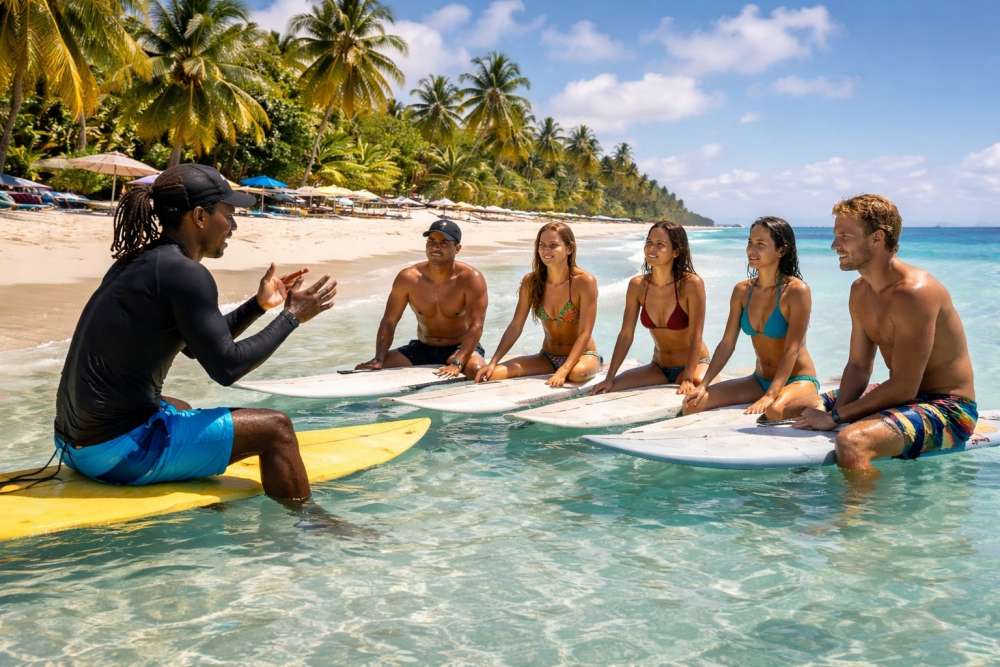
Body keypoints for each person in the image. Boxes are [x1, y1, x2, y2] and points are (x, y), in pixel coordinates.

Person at [53, 164, 336, 503]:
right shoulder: (187, 274)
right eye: (228, 215)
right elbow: (227, 369)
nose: (233, 226)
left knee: (180, 407)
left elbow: (194, 347)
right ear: (200, 216)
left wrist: (259, 305)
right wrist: (292, 317)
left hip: (71, 446)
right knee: (276, 428)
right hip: (115, 455)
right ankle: (308, 525)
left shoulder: (137, 262)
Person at [794, 194, 977, 472]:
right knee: (793, 406)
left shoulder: (915, 293)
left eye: (844, 236)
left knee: (852, 443)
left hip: (948, 406)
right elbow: (858, 366)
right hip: (902, 396)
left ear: (877, 238)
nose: (834, 245)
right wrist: (836, 416)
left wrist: (836, 418)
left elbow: (905, 386)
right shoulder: (860, 291)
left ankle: (862, 503)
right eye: (835, 235)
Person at [684, 216, 821, 421]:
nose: (751, 250)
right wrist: (704, 385)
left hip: (796, 379)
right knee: (692, 404)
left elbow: (792, 348)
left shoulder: (796, 291)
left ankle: (818, 401)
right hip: (759, 380)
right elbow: (727, 343)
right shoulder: (742, 291)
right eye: (750, 242)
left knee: (774, 411)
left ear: (781, 250)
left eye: (760, 244)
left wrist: (771, 395)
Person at [356, 218, 488, 379]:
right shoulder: (408, 278)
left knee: (477, 372)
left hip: (460, 348)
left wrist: (458, 362)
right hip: (423, 348)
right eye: (431, 241)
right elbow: (389, 321)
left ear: (457, 248)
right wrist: (379, 358)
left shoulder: (470, 279)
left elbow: (476, 325)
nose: (435, 246)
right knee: (365, 371)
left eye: (444, 242)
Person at [476, 222, 601, 387]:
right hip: (547, 357)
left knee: (577, 374)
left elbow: (585, 332)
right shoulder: (531, 282)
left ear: (569, 249)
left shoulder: (584, 282)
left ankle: (593, 365)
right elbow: (516, 326)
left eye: (553, 245)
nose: (546, 250)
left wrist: (564, 370)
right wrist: (493, 362)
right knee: (492, 374)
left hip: (582, 357)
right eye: (542, 245)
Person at [593, 221, 710, 394]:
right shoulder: (637, 285)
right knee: (611, 387)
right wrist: (609, 377)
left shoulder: (691, 284)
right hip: (658, 367)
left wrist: (687, 377)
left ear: (676, 251)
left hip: (695, 365)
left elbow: (696, 336)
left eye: (660, 245)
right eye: (649, 242)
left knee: (696, 387)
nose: (651, 249)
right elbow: (626, 335)